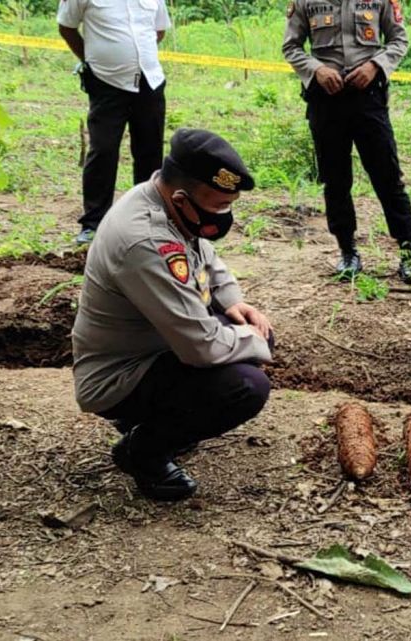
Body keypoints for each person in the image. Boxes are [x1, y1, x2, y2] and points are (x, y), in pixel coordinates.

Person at [72, 129, 274, 501]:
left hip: (155, 344)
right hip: (119, 374)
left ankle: (157, 420)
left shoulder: (163, 200)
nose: (223, 217)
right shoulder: (145, 241)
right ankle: (143, 450)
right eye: (217, 208)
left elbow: (203, 254)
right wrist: (254, 342)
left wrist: (231, 300)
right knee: (245, 387)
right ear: (181, 197)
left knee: (248, 327)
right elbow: (200, 348)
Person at [282, 0, 411, 284]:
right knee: (335, 180)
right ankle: (347, 252)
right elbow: (291, 47)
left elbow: (399, 39)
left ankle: (409, 253)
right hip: (326, 100)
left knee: (388, 177)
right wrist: (316, 70)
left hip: (368, 98)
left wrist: (375, 65)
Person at [58, 0, 171, 246]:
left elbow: (158, 31)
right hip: (106, 82)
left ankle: (147, 221)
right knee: (104, 150)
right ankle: (94, 224)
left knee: (150, 152)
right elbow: (66, 27)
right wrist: (93, 60)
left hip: (149, 79)